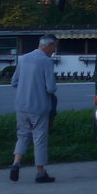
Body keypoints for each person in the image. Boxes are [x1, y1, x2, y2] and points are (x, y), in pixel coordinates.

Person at [9, 34, 58, 184]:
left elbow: (14, 82)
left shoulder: (23, 58)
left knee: (22, 135)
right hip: (39, 107)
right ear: (48, 46)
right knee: (39, 139)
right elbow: (51, 88)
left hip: (21, 105)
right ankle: (40, 172)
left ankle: (16, 162)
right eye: (54, 48)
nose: (53, 52)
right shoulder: (46, 62)